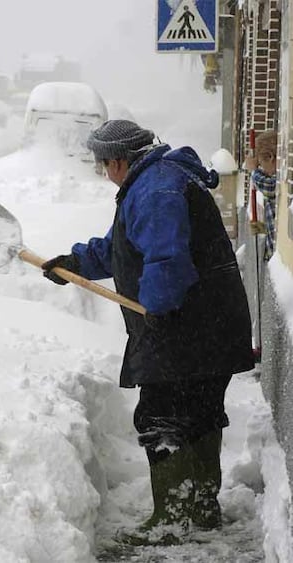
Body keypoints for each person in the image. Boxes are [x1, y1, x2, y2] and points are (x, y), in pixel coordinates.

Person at [42, 120, 255, 544]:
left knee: (163, 418)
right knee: (198, 412)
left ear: (119, 160)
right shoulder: (157, 180)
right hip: (207, 325)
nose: (106, 173)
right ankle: (200, 508)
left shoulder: (157, 189)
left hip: (185, 326)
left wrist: (157, 310)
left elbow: (166, 259)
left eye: (106, 164)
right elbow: (123, 247)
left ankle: (172, 521)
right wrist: (75, 263)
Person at [245, 130, 277, 261]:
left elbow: (269, 187)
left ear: (270, 157)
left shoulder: (279, 181)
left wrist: (253, 171)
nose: (261, 170)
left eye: (260, 165)